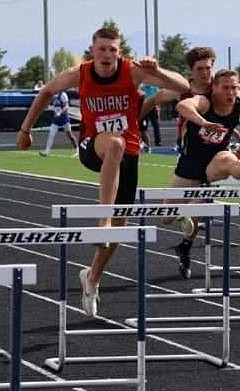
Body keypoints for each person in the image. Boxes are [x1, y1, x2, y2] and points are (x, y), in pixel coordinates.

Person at [16, 26, 190, 317]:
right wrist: (25, 129)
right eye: (102, 49)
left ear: (119, 53)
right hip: (93, 145)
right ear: (92, 50)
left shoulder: (133, 71)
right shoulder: (79, 73)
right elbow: (46, 91)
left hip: (128, 156)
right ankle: (103, 219)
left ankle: (92, 276)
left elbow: (183, 85)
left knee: (118, 229)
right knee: (115, 145)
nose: (107, 54)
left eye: (113, 49)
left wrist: (158, 72)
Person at [165, 69, 240, 279]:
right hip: (190, 164)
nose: (230, 92)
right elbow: (183, 106)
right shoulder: (205, 101)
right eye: (225, 88)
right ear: (215, 88)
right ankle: (185, 244)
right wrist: (202, 122)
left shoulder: (238, 100)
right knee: (167, 217)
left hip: (216, 160)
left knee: (229, 162)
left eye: (233, 87)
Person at [39, 90, 78, 157]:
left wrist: (60, 113)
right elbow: (52, 105)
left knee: (69, 134)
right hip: (56, 118)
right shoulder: (54, 95)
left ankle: (78, 150)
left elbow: (66, 106)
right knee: (51, 134)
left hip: (64, 117)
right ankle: (47, 151)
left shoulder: (63, 95)